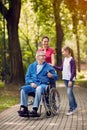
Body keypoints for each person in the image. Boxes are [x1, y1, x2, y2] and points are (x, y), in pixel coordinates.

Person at [18, 51, 58, 117]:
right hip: (33, 85)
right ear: (37, 57)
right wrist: (31, 83)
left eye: (44, 55)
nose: (44, 57)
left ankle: (35, 109)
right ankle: (24, 108)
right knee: (23, 89)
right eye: (42, 55)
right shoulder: (31, 66)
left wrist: (51, 76)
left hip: (43, 85)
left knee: (39, 88)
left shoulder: (48, 66)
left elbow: (56, 77)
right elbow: (27, 76)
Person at [54, 46, 77, 116]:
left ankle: (71, 108)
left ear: (67, 51)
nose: (62, 53)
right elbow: (61, 68)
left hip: (70, 80)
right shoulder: (64, 60)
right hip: (65, 79)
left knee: (69, 93)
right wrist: (53, 66)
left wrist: (70, 80)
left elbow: (73, 71)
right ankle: (75, 105)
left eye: (63, 51)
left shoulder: (71, 60)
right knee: (70, 93)